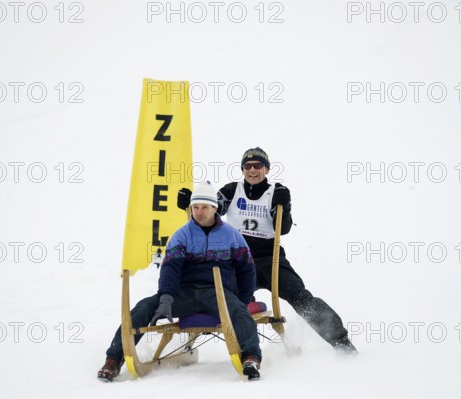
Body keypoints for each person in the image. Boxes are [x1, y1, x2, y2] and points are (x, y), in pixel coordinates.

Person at [177, 148, 358, 355]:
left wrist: (284, 205)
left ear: (267, 169)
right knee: (215, 295)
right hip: (238, 260)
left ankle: (341, 343)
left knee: (301, 297)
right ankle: (195, 341)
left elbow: (284, 227)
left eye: (257, 166)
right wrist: (192, 204)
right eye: (247, 166)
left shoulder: (275, 192)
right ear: (243, 170)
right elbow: (208, 214)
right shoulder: (231, 190)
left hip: (270, 259)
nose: (252, 170)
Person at [98, 181, 263, 381]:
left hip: (217, 294)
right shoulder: (182, 235)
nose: (199, 212)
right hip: (183, 294)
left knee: (240, 313)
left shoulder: (231, 235)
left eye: (204, 207)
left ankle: (251, 357)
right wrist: (166, 298)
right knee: (143, 307)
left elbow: (247, 269)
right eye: (195, 207)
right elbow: (170, 268)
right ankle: (113, 360)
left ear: (214, 208)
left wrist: (243, 300)